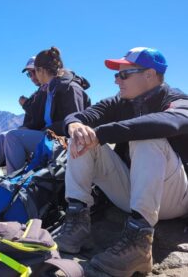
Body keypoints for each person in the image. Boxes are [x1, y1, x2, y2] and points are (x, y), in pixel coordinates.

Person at [53, 47, 188, 276]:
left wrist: (102, 134)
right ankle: (77, 224)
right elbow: (81, 116)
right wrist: (74, 126)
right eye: (116, 75)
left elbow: (173, 122)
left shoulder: (176, 100)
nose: (116, 80)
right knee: (81, 138)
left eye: (124, 74)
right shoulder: (120, 102)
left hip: (174, 198)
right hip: (132, 194)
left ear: (149, 75)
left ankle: (138, 244)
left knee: (147, 136)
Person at [0, 48, 91, 184]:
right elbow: (40, 118)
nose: (33, 78)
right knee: (8, 136)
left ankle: (15, 183)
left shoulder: (70, 89)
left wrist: (47, 130)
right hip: (50, 137)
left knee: (12, 137)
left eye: (34, 72)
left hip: (64, 143)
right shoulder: (50, 89)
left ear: (41, 70)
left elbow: (75, 122)